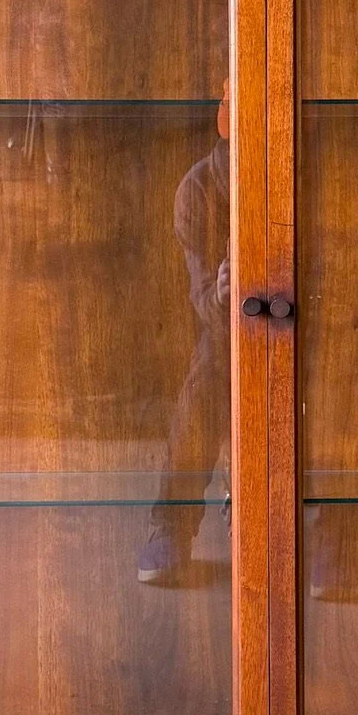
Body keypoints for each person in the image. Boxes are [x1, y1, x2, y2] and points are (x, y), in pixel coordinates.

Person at [137, 79, 231, 586]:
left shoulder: (308, 171)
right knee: (203, 388)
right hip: (231, 327)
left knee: (338, 379)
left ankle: (338, 530)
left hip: (312, 322)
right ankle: (170, 525)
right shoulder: (197, 189)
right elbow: (201, 297)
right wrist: (224, 295)